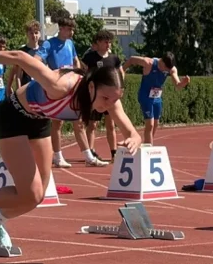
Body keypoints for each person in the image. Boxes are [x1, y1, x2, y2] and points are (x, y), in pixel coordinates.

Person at [0, 50, 141, 248]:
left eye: (114, 100)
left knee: (38, 196)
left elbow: (132, 132)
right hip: (12, 118)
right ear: (92, 86)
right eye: (106, 99)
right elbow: (19, 57)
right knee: (31, 193)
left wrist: (134, 138)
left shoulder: (107, 96)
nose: (109, 106)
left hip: (39, 121)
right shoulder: (60, 85)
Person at [38, 18, 81, 169]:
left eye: (72, 29)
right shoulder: (49, 44)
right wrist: (49, 75)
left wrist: (79, 74)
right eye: (69, 29)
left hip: (71, 85)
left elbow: (76, 61)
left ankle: (88, 154)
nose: (72, 32)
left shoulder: (70, 44)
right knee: (57, 122)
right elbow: (37, 59)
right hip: (56, 86)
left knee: (77, 118)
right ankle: (58, 156)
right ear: (61, 28)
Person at [122, 53, 189, 145]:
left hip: (157, 98)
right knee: (150, 124)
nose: (166, 71)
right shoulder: (148, 63)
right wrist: (122, 70)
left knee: (156, 124)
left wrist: (183, 83)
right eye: (165, 69)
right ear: (161, 62)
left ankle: (147, 144)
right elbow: (132, 59)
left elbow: (177, 86)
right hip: (145, 96)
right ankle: (149, 149)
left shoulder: (171, 69)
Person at [81, 30, 123, 162]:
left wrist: (120, 88)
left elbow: (120, 73)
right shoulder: (90, 57)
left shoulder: (114, 58)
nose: (108, 44)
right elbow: (83, 72)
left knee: (111, 125)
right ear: (98, 42)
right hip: (95, 96)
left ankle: (114, 152)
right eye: (105, 42)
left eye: (109, 42)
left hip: (110, 97)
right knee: (92, 125)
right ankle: (91, 151)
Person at [8, 20, 45, 94]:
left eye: (36, 33)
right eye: (31, 33)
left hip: (40, 89)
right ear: (27, 34)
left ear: (40, 34)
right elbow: (18, 76)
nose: (34, 36)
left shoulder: (43, 50)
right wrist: (19, 91)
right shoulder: (22, 51)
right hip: (26, 88)